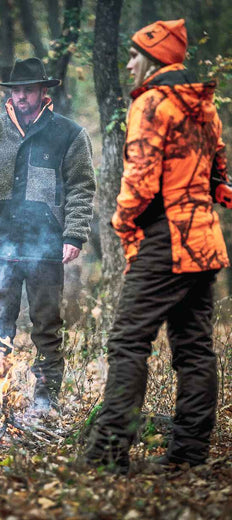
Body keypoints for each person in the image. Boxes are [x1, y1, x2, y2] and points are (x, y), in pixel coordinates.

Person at [84, 19, 229, 474]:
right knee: (195, 348)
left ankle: (107, 455)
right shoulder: (204, 105)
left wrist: (121, 221)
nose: (129, 63)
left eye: (135, 56)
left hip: (166, 239)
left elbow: (140, 180)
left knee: (128, 342)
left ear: (154, 57)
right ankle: (188, 456)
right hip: (204, 238)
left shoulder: (151, 102)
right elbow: (220, 173)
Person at [0, 58, 95, 412]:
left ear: (43, 92)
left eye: (28, 89)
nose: (21, 96)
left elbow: (82, 187)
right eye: (16, 90)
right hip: (1, 245)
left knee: (47, 326)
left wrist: (74, 234)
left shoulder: (68, 132)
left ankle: (45, 402)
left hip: (47, 247)